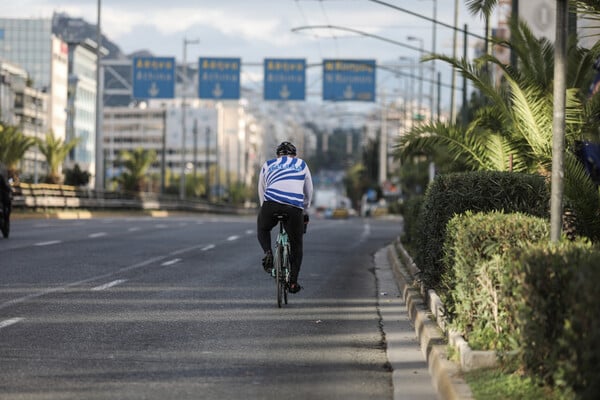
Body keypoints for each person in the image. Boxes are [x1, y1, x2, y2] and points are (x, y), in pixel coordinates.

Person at [257, 141, 313, 293]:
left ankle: (268, 253)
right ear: (294, 155)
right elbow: (308, 191)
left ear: (278, 155)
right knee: (297, 246)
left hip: (270, 204)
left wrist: (264, 207)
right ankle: (293, 282)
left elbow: (261, 189)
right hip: (294, 207)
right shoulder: (301, 164)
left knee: (262, 228)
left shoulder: (268, 165)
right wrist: (305, 208)